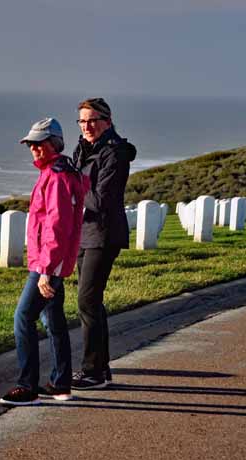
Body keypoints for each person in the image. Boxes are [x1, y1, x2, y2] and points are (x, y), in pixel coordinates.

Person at [0, 118, 89, 406]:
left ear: (55, 144)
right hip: (48, 262)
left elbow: (57, 226)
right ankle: (60, 383)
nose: (34, 148)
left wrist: (46, 271)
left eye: (40, 143)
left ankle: (27, 387)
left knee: (23, 317)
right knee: (53, 320)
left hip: (47, 264)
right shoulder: (54, 172)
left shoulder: (58, 177)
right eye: (31, 144)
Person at [71, 98, 137, 390]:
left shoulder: (115, 153)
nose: (87, 126)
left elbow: (100, 199)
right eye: (82, 121)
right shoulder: (83, 147)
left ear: (107, 121)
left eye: (93, 120)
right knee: (91, 302)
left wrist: (74, 187)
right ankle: (101, 367)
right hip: (84, 232)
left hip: (104, 233)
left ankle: (93, 372)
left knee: (87, 300)